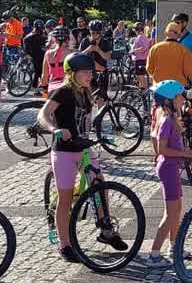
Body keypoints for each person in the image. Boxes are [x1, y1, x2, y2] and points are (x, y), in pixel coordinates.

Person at [37, 52, 127, 264]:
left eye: (90, 72)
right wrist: (55, 129)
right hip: (64, 151)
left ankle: (106, 230)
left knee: (100, 185)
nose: (89, 75)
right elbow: (43, 115)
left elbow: (85, 121)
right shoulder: (63, 92)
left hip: (83, 148)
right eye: (85, 72)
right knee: (66, 198)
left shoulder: (86, 92)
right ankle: (65, 244)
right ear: (72, 73)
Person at [147, 79, 192, 268]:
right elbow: (162, 149)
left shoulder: (169, 118)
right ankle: (154, 254)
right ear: (169, 100)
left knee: (176, 212)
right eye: (179, 97)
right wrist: (184, 153)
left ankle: (174, 247)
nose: (183, 100)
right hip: (168, 169)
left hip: (171, 168)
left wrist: (185, 152)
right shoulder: (167, 121)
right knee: (170, 214)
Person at [80, 21, 113, 98]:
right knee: (87, 97)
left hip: (101, 74)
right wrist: (88, 49)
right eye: (93, 32)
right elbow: (79, 56)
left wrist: (99, 50)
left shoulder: (105, 42)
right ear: (90, 31)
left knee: (101, 98)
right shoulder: (85, 41)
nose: (95, 34)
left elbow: (109, 58)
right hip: (87, 73)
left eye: (97, 33)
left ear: (101, 32)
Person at [42, 28, 74, 94]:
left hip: (52, 87)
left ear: (55, 39)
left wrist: (44, 86)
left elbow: (44, 77)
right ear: (67, 39)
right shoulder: (72, 53)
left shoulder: (48, 53)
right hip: (67, 86)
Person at [22, 19, 48, 94]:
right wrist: (28, 53)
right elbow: (26, 42)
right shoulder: (33, 36)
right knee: (38, 72)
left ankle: (41, 88)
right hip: (35, 57)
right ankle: (38, 88)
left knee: (39, 72)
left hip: (39, 56)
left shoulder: (37, 35)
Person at [129, 21, 152, 86]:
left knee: (141, 78)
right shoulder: (141, 36)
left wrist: (133, 51)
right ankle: (141, 89)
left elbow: (143, 48)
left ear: (137, 30)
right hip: (140, 59)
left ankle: (143, 90)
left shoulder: (141, 37)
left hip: (140, 60)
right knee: (139, 78)